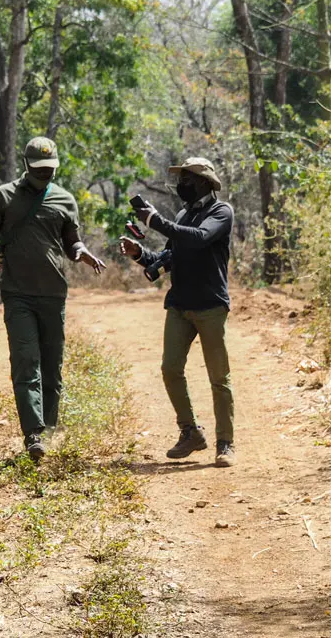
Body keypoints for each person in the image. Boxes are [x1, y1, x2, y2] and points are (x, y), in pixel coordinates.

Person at [0, 137, 106, 460]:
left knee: (51, 366)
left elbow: (72, 242)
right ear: (27, 165)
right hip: (17, 294)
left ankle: (48, 429)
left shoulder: (65, 199)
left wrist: (83, 252)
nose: (45, 174)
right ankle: (33, 434)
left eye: (50, 169)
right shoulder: (3, 197)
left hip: (53, 294)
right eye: (39, 169)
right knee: (25, 361)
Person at [119, 157, 236, 467]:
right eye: (181, 178)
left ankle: (225, 443)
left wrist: (154, 221)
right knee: (170, 369)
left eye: (188, 178)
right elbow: (168, 256)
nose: (182, 184)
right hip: (180, 305)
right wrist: (140, 254)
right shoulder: (184, 213)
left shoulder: (221, 212)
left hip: (210, 305)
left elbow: (198, 240)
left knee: (218, 378)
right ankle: (190, 432)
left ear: (204, 182)